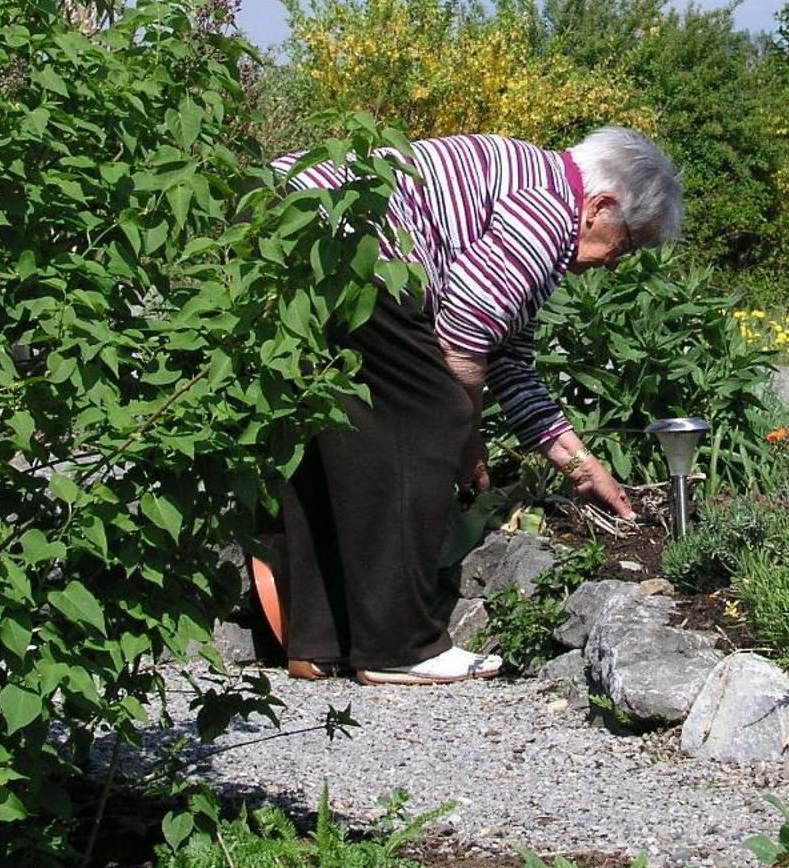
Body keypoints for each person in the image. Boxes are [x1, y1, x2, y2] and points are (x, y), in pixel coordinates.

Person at [261, 126, 681, 686]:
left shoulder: (538, 192)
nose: (615, 263)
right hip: (350, 237)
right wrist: (463, 434)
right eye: (625, 243)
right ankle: (399, 646)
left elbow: (508, 362)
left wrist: (584, 469)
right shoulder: (546, 211)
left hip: (285, 221)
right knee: (432, 416)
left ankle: (318, 641)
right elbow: (462, 335)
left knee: (338, 423)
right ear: (599, 205)